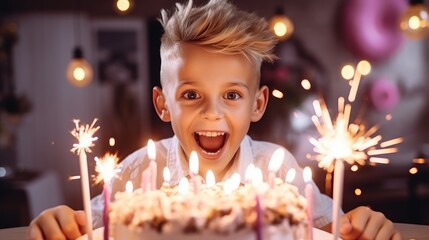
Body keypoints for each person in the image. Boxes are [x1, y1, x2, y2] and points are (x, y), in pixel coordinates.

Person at [28, 0, 402, 239]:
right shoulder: (140, 169)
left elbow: (332, 229)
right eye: (191, 95)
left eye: (232, 95)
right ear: (162, 104)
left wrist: (362, 225)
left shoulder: (278, 171)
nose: (212, 112)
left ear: (257, 105)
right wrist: (60, 222)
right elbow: (85, 226)